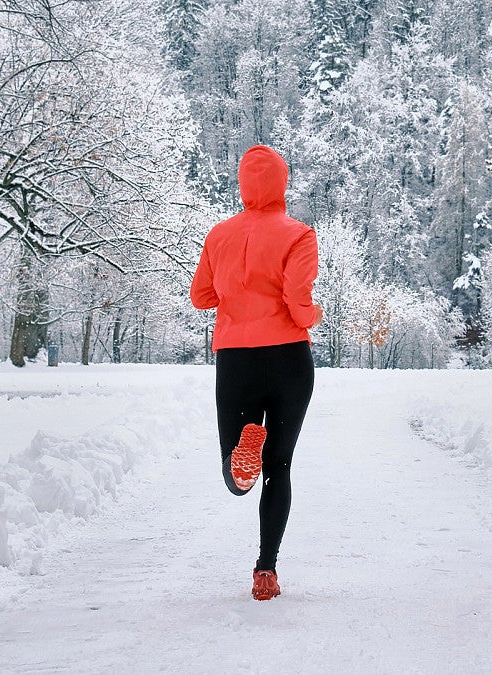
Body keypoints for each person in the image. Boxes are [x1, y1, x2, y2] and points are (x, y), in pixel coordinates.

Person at [190, 145, 322, 601]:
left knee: (236, 474)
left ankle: (243, 455)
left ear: (243, 185)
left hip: (237, 360)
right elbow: (297, 300)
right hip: (289, 359)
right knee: (280, 468)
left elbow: (201, 297)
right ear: (282, 183)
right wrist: (312, 315)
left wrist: (236, 291)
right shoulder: (300, 235)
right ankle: (266, 569)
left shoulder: (219, 235)